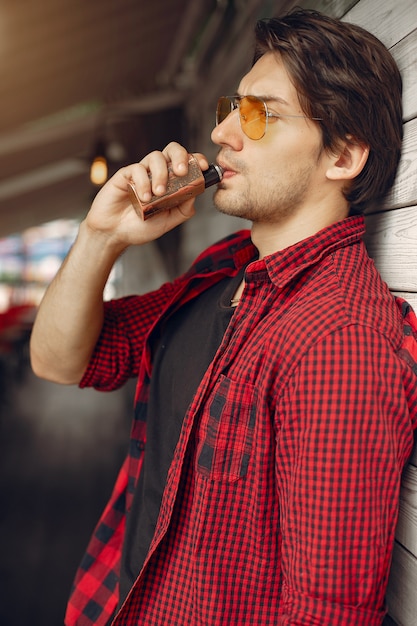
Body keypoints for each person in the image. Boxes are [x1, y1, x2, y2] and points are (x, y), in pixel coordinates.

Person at [30, 8, 417, 626]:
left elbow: (326, 615)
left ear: (342, 156)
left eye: (261, 114)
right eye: (230, 109)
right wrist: (101, 238)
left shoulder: (339, 343)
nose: (224, 134)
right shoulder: (225, 268)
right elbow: (58, 360)